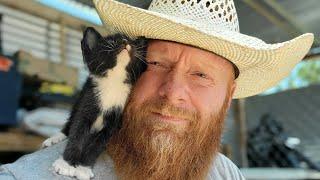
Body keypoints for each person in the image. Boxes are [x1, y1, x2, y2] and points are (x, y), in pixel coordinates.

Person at [0, 0, 314, 179]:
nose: (173, 92)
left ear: (229, 96)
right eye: (155, 65)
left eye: (201, 74)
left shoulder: (224, 173)